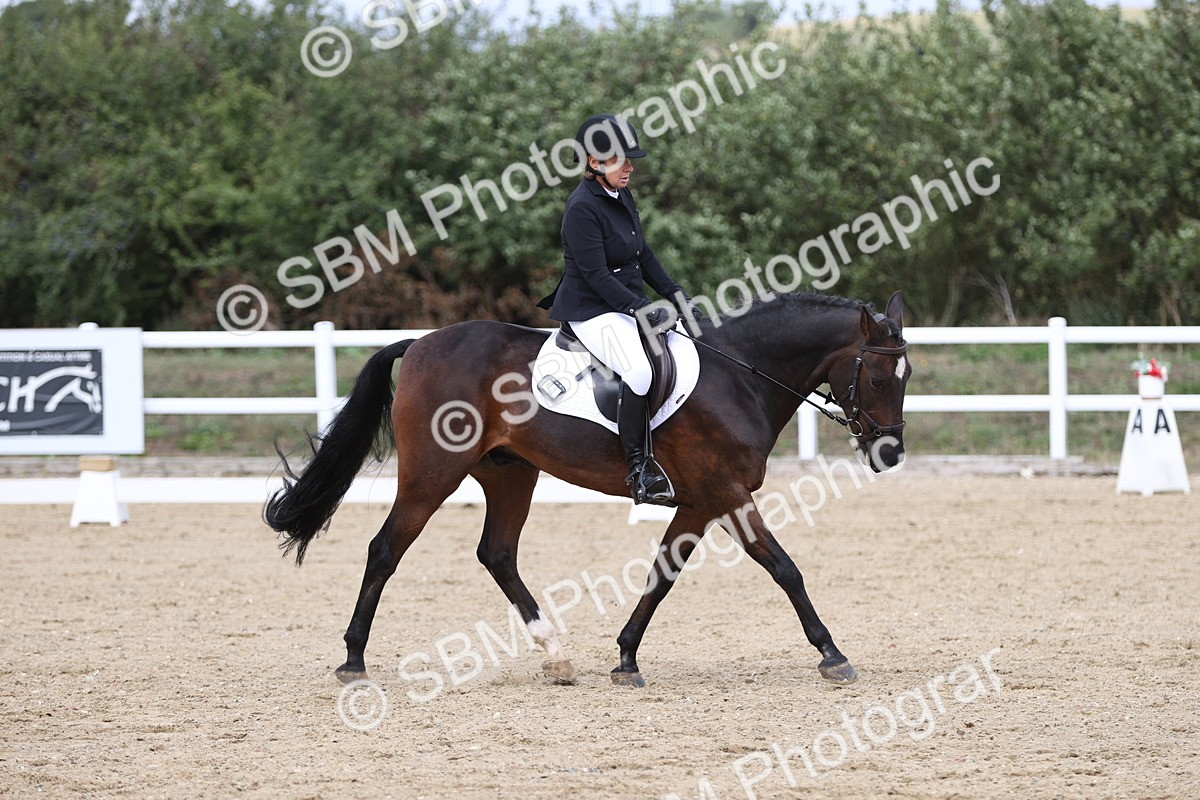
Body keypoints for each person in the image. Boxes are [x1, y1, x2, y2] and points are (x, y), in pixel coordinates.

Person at [537, 114, 703, 506]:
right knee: (640, 371)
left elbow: (641, 253)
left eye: (630, 160)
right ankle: (639, 469)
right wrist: (643, 308)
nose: (629, 167)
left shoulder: (620, 195)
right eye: (619, 160)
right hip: (591, 309)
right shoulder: (581, 207)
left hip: (621, 303)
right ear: (594, 163)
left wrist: (674, 293)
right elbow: (595, 275)